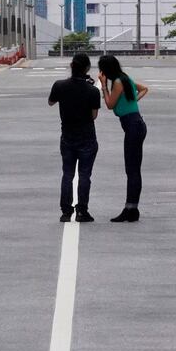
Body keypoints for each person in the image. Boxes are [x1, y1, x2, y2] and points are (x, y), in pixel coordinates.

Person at [48, 52, 102, 224]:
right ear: (87, 69)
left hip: (67, 136)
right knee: (85, 175)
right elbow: (94, 116)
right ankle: (82, 211)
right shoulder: (92, 90)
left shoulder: (59, 85)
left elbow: (51, 102)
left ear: (71, 66)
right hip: (87, 137)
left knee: (67, 174)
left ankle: (65, 212)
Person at [97, 53, 149, 222]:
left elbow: (110, 105)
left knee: (132, 170)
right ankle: (131, 208)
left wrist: (104, 86)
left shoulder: (118, 82)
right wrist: (133, 102)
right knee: (133, 169)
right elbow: (144, 89)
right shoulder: (125, 78)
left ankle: (131, 209)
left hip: (132, 126)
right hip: (136, 124)